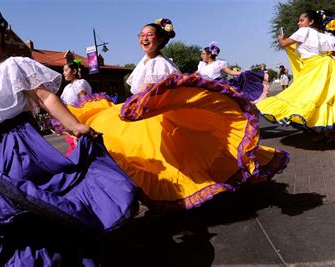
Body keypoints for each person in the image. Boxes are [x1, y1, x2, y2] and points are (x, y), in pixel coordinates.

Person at [0, 3, 137, 265]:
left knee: (25, 197)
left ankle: (47, 252)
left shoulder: (15, 66)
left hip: (16, 144)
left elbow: (46, 97)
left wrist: (74, 125)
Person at [63, 18, 289, 214]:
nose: (143, 39)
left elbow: (154, 93)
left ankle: (182, 195)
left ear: (160, 39)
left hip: (158, 118)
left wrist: (139, 104)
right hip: (144, 117)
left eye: (149, 35)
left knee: (170, 159)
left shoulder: (161, 64)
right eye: (140, 35)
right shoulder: (146, 62)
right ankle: (166, 197)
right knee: (153, 159)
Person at [256, 10, 335, 141]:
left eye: (301, 20)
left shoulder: (304, 31)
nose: (299, 23)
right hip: (330, 66)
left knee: (306, 96)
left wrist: (281, 39)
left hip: (314, 69)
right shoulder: (327, 35)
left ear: (311, 22)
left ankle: (323, 131)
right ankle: (329, 132)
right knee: (326, 98)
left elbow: (285, 43)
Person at [197, 42, 269, 104]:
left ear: (209, 55)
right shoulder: (201, 65)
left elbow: (232, 72)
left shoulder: (218, 64)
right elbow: (194, 75)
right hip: (205, 89)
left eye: (203, 54)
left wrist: (245, 72)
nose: (201, 56)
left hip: (218, 88)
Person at [60, 59, 93, 156]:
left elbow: (84, 100)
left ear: (74, 71)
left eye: (66, 70)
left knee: (82, 140)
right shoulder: (67, 87)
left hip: (81, 117)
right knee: (74, 140)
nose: (64, 73)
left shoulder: (80, 83)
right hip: (71, 117)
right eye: (63, 71)